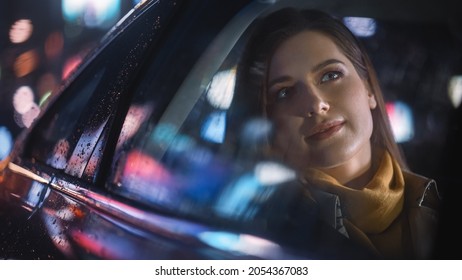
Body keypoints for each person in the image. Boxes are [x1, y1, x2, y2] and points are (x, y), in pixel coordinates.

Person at [237, 7, 440, 259]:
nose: (315, 104)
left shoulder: (440, 203)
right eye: (285, 92)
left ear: (369, 89)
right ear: (267, 124)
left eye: (330, 75)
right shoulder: (258, 237)